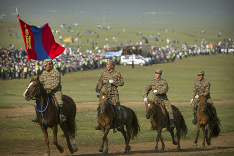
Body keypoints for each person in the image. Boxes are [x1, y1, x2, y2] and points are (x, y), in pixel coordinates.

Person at [95, 60, 124, 130]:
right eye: (106, 64)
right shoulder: (104, 73)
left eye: (108, 64)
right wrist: (98, 91)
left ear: (112, 66)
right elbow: (100, 82)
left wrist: (114, 82)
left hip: (114, 94)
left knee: (117, 108)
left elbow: (122, 82)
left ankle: (119, 124)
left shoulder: (117, 73)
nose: (106, 66)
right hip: (105, 95)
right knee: (100, 108)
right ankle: (100, 124)